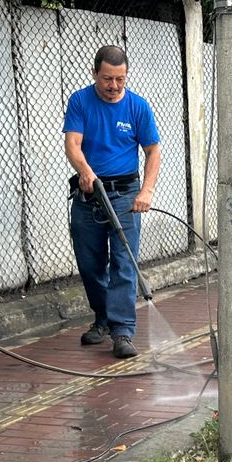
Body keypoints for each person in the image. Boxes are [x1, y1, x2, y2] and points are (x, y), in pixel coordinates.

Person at [63, 45, 162, 359]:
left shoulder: (138, 107)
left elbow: (152, 152)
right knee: (90, 263)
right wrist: (85, 170)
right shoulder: (80, 101)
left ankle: (122, 332)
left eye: (120, 79)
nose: (114, 86)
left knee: (123, 262)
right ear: (95, 74)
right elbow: (73, 144)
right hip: (89, 194)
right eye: (107, 79)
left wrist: (145, 192)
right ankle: (102, 317)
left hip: (125, 194)